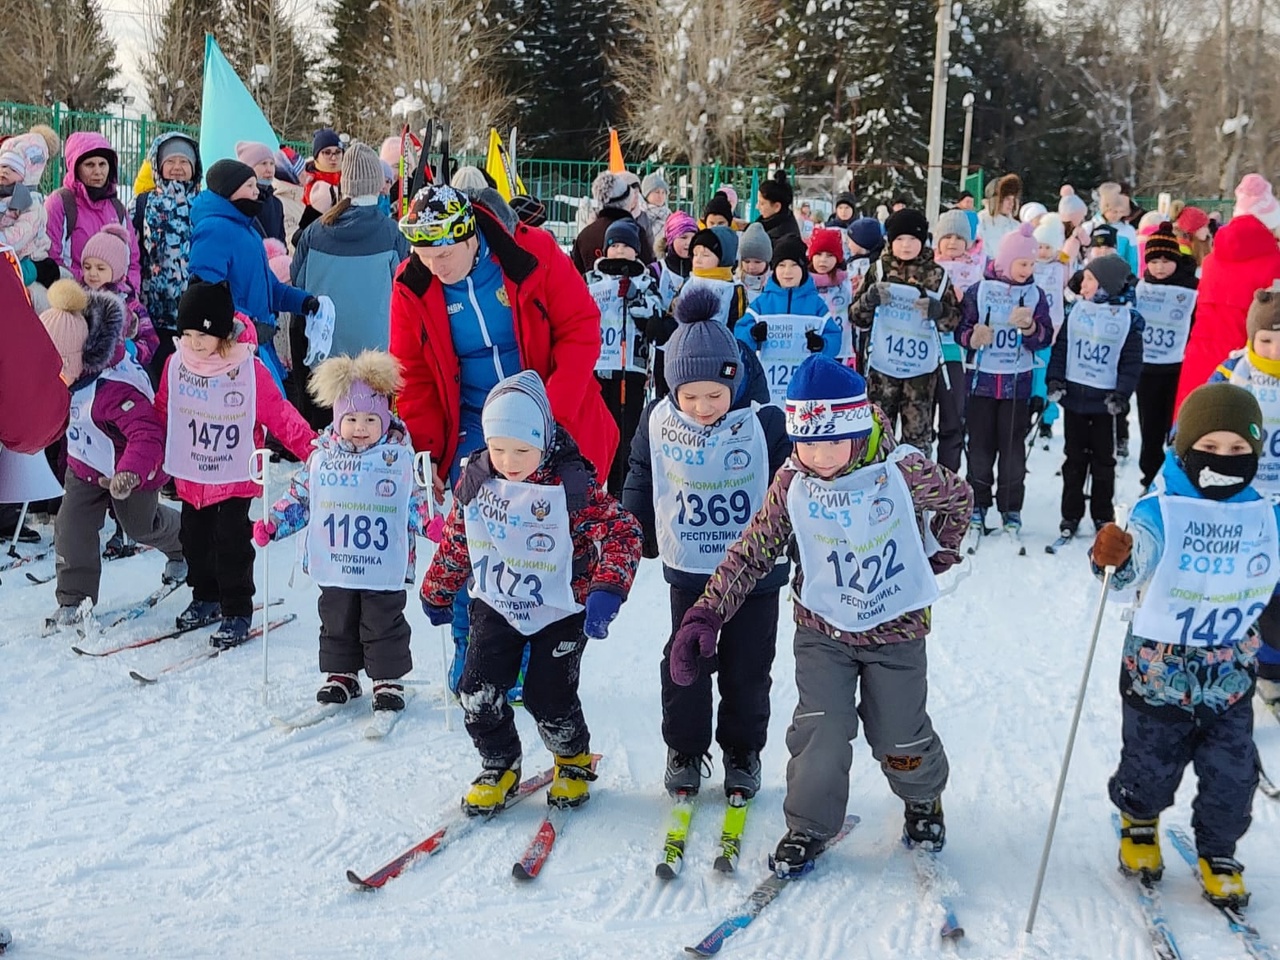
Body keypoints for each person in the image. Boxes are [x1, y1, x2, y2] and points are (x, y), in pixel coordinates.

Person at [669, 355, 971, 876]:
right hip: (823, 629)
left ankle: (922, 798)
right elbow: (753, 549)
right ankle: (808, 824)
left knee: (897, 731)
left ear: (856, 431)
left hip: (895, 627)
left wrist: (937, 552)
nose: (820, 456)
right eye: (807, 442)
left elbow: (959, 498)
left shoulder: (901, 470)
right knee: (820, 729)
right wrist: (706, 613)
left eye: (832, 441)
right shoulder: (794, 481)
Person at [390, 184, 619, 693]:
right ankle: (475, 653)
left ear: (469, 236)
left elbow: (581, 328)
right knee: (480, 534)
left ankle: (539, 656)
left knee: (546, 539)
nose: (434, 264)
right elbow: (412, 373)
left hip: (549, 409)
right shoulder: (411, 284)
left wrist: (546, 422)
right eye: (424, 254)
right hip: (471, 418)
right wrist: (431, 451)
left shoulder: (532, 253)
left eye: (444, 253)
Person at [420, 371, 642, 813]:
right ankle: (498, 762)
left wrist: (607, 589)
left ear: (543, 439)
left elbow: (624, 532)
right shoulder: (479, 480)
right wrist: (438, 588)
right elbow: (457, 537)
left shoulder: (569, 484)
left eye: (522, 449)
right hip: (498, 603)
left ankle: (572, 759)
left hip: (560, 607)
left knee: (547, 694)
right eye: (499, 448)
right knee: (476, 690)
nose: (510, 460)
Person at [1092, 382, 1278, 906]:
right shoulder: (1162, 508)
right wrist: (1117, 556)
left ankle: (1219, 849)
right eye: (1211, 447)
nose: (1223, 459)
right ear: (1183, 446)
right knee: (1149, 767)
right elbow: (1132, 567)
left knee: (1233, 777)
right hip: (1158, 677)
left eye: (1238, 450)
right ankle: (1140, 819)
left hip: (1231, 679)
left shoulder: (1262, 513)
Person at [623, 290, 790, 798]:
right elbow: (641, 472)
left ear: (733, 380)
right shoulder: (659, 421)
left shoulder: (763, 422)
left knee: (747, 668)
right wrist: (637, 531)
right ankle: (685, 749)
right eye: (688, 396)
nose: (701, 408)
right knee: (685, 663)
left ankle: (743, 750)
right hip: (692, 566)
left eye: (713, 395)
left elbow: (792, 486)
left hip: (755, 575)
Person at [255, 351, 428, 713]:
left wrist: (430, 522)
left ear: (385, 419)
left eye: (370, 419)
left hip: (382, 562)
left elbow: (411, 502)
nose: (360, 427)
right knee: (337, 615)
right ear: (337, 419)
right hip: (337, 558)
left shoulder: (396, 459)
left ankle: (387, 678)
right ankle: (341, 673)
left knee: (381, 616)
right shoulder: (322, 457)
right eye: (350, 418)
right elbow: (302, 498)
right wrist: (274, 522)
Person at [155, 279, 316, 647]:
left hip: (233, 474)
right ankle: (205, 596)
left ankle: (237, 607)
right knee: (193, 540)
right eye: (189, 333)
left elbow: (279, 415)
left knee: (230, 543)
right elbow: (164, 410)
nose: (195, 343)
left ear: (222, 333)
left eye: (204, 335)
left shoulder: (246, 369)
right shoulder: (176, 365)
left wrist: (314, 450)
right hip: (192, 475)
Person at [38, 279, 185, 627]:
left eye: (55, 363)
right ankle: (74, 598)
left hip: (131, 471)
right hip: (85, 466)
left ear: (79, 358)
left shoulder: (115, 388)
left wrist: (130, 473)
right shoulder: (66, 379)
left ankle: (187, 544)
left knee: (139, 525)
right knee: (71, 524)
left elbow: (148, 435)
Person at [290, 142, 408, 425]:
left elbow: (298, 281)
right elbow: (403, 288)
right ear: (379, 184)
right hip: (377, 359)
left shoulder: (314, 232)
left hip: (326, 357)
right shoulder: (391, 232)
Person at [187, 159, 321, 391]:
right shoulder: (214, 229)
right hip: (232, 352)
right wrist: (244, 325)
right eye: (250, 186)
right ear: (230, 190)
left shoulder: (247, 230)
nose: (256, 191)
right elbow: (205, 294)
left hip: (258, 345)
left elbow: (270, 287)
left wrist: (305, 302)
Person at [955, 222, 1053, 535]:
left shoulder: (1036, 295)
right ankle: (978, 505)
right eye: (1022, 263)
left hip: (1016, 384)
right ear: (1005, 262)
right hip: (981, 383)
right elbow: (960, 327)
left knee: (1012, 451)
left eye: (1031, 264)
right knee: (980, 449)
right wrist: (972, 336)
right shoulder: (979, 290)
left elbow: (1046, 336)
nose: (1027, 269)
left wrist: (1029, 330)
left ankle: (1011, 509)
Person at [1047, 254, 1145, 539]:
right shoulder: (1077, 312)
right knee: (1074, 460)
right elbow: (1061, 349)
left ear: (1106, 286)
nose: (1083, 284)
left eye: (1089, 279)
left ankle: (1103, 514)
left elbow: (1131, 363)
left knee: (1104, 462)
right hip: (1075, 399)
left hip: (1105, 404)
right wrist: (1054, 380)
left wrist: (1121, 395)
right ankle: (1070, 514)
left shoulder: (1128, 320)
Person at [851, 208, 959, 454]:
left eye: (913, 239)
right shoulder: (878, 270)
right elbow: (856, 317)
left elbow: (955, 320)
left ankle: (915, 488)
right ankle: (875, 486)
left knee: (917, 442)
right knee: (875, 436)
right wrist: (870, 299)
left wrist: (938, 310)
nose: (906, 245)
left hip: (920, 374)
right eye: (900, 239)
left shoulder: (937, 275)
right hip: (881, 370)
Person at [1176, 175, 1280, 412]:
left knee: (1194, 432)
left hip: (1199, 360)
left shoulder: (1212, 260)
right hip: (1248, 369)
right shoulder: (1275, 264)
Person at [584, 217, 663, 493]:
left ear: (636, 250)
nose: (618, 250)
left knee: (626, 432)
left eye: (625, 245)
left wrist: (635, 297)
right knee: (598, 429)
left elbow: (655, 315)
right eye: (613, 245)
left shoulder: (645, 279)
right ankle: (593, 487)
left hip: (632, 368)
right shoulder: (592, 279)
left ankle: (622, 489)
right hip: (599, 365)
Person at [131, 132, 202, 378]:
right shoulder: (142, 203)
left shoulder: (204, 204)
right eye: (170, 162)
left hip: (195, 315)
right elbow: (131, 251)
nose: (177, 168)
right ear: (158, 165)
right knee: (155, 380)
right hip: (152, 313)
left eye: (184, 162)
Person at [1134, 223, 1199, 489]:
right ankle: (1149, 480)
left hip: (1179, 369)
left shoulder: (1191, 288)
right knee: (1149, 430)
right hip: (1147, 369)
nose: (1159, 267)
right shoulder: (1141, 287)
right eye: (1154, 261)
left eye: (1165, 260)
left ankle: (1178, 479)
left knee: (1177, 429)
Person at [44, 132, 142, 293]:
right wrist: (92, 282)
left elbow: (132, 260)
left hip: (115, 299)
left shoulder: (116, 208)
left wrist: (130, 291)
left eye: (102, 164)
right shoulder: (60, 203)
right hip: (73, 298)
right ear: (75, 168)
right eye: (90, 165)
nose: (98, 171)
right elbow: (52, 258)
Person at [932, 209, 983, 473]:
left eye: (959, 238)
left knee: (952, 421)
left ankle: (947, 478)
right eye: (947, 236)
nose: (952, 243)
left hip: (956, 355)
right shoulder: (929, 268)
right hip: (926, 354)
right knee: (921, 422)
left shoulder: (975, 271)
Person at [736, 234, 841, 359]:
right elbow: (739, 335)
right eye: (781, 265)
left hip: (805, 375)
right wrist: (752, 335)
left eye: (794, 265)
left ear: (803, 268)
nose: (787, 271)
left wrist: (822, 344)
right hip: (767, 375)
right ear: (774, 269)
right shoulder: (761, 304)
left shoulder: (816, 304)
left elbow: (834, 338)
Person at [78, 224, 158, 366]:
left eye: (101, 268)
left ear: (117, 270)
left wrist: (131, 350)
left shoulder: (131, 305)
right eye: (87, 267)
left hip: (120, 372)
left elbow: (151, 341)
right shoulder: (78, 299)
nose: (92, 273)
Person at [572, 172, 655, 273]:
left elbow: (575, 274)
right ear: (627, 199)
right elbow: (648, 268)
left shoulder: (585, 235)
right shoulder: (635, 231)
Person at [296, 128, 344, 244]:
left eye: (338, 152)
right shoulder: (304, 182)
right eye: (327, 152)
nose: (333, 157)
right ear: (316, 156)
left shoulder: (348, 180)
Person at [235, 141, 286, 246]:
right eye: (263, 163)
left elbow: (281, 241)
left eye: (272, 164)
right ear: (249, 168)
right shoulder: (239, 201)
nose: (269, 169)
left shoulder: (277, 204)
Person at [655, 210, 696, 310]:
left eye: (693, 238)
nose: (689, 243)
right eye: (683, 237)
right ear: (671, 239)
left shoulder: (699, 270)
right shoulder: (656, 270)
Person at [754, 171, 802, 243]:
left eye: (762, 203)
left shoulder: (783, 238)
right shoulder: (772, 223)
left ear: (777, 206)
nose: (757, 207)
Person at [977, 173, 1021, 253]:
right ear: (996, 199)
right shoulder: (980, 221)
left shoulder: (1016, 226)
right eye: (1007, 199)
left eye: (1013, 199)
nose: (1011, 203)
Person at [736, 221, 772, 303]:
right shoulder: (735, 284)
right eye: (747, 261)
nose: (751, 267)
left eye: (757, 262)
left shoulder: (773, 284)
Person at [640, 171, 671, 248]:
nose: (660, 196)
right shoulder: (641, 214)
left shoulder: (669, 215)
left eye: (663, 192)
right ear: (647, 194)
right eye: (657, 192)